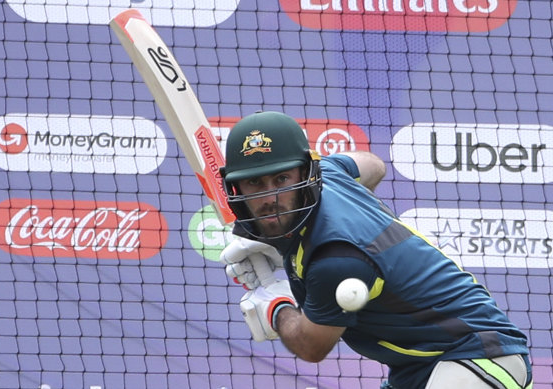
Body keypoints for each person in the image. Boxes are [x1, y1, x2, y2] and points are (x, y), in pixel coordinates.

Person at [218, 111, 533, 389]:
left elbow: (311, 346)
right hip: (422, 368)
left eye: (282, 178)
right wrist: (282, 245)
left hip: (480, 357)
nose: (271, 196)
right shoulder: (331, 173)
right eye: (255, 184)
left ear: (305, 173)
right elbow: (373, 166)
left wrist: (277, 305)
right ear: (237, 188)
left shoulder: (337, 260)